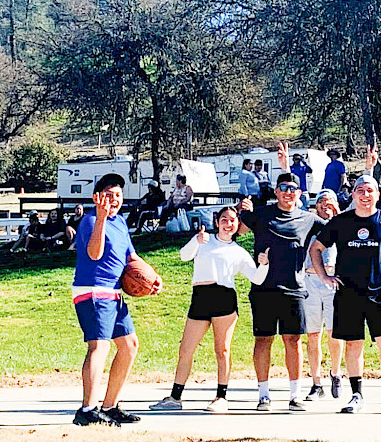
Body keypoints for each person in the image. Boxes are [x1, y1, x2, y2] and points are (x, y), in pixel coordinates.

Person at [310, 174, 381, 415]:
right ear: (353, 195)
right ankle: (356, 396)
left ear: (377, 195)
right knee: (353, 344)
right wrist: (324, 277)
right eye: (360, 190)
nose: (365, 195)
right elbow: (316, 248)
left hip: (379, 293)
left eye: (370, 190)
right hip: (348, 294)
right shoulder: (341, 222)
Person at [150, 207, 270, 413]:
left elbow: (257, 278)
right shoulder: (204, 240)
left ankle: (221, 397)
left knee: (222, 350)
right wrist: (196, 241)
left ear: (237, 225)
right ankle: (175, 397)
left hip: (224, 299)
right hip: (200, 298)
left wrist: (264, 264)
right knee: (186, 349)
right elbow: (184, 256)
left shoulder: (239, 252)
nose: (228, 224)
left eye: (232, 220)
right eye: (224, 219)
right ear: (217, 222)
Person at [72, 172, 162, 426]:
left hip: (114, 293)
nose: (114, 199)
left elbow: (131, 257)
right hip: (93, 291)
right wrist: (101, 219)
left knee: (129, 345)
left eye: (118, 195)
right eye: (108, 195)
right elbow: (94, 254)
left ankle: (110, 406)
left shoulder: (120, 222)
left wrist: (153, 277)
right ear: (96, 198)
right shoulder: (90, 221)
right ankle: (87, 410)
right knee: (99, 346)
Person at [238, 151, 326, 412]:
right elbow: (235, 228)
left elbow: (336, 230)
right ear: (276, 192)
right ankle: (263, 395)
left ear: (299, 193)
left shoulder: (308, 219)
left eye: (293, 189)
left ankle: (295, 395)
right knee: (263, 340)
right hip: (263, 289)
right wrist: (242, 210)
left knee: (293, 340)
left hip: (294, 289)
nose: (289, 192)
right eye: (284, 188)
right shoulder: (261, 214)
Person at [302, 189, 346, 400]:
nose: (325, 205)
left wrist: (337, 212)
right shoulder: (309, 224)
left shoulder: (343, 224)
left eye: (329, 202)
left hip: (333, 282)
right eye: (321, 201)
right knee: (313, 334)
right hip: (310, 281)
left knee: (334, 332)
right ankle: (316, 383)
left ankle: (336, 373)